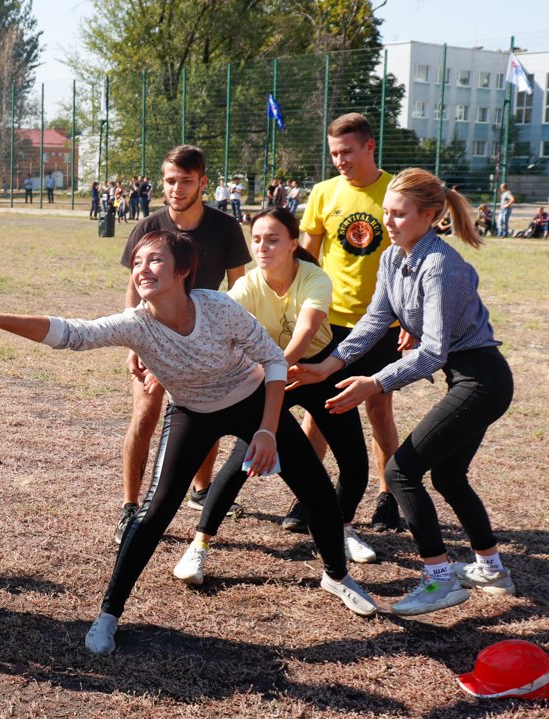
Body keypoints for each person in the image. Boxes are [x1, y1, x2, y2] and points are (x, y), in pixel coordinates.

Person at [0, 229, 378, 655]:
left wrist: (267, 430)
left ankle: (336, 575)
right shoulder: (136, 324)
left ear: (183, 270)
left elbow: (273, 359)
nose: (143, 269)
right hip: (192, 413)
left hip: (252, 403)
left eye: (155, 260)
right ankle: (109, 614)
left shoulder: (218, 307)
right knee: (153, 513)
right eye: (138, 262)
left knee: (319, 495)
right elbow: (73, 333)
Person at [290, 168, 513, 616]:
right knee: (448, 476)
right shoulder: (394, 257)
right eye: (386, 213)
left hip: (483, 381)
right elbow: (375, 321)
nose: (389, 222)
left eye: (399, 214)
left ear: (430, 216)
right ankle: (490, 567)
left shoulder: (440, 265)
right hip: (468, 378)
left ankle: (439, 580)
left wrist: (376, 382)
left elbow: (432, 351)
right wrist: (327, 366)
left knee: (401, 471)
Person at [177, 208, 374, 585]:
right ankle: (199, 546)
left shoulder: (315, 278)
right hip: (270, 375)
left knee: (354, 462)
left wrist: (276, 368)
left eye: (273, 239)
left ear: (293, 243)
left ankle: (342, 528)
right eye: (256, 239)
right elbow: (216, 324)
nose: (262, 247)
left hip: (315, 370)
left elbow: (305, 332)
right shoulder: (248, 285)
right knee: (242, 460)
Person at [115, 145, 249, 542]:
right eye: (170, 180)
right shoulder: (149, 226)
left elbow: (239, 287)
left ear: (203, 183)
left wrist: (232, 338)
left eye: (186, 181)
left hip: (205, 340)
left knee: (206, 418)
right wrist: (133, 340)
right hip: (153, 336)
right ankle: (130, 507)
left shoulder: (225, 227)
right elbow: (132, 288)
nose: (176, 188)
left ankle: (202, 490)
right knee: (144, 416)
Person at [293, 113, 402, 536]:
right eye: (334, 153)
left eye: (348, 152)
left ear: (370, 147)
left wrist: (409, 318)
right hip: (330, 323)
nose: (340, 160)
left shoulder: (394, 191)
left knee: (379, 409)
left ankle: (387, 497)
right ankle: (309, 495)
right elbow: (306, 259)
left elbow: (412, 260)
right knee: (319, 411)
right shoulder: (323, 193)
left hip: (381, 326)